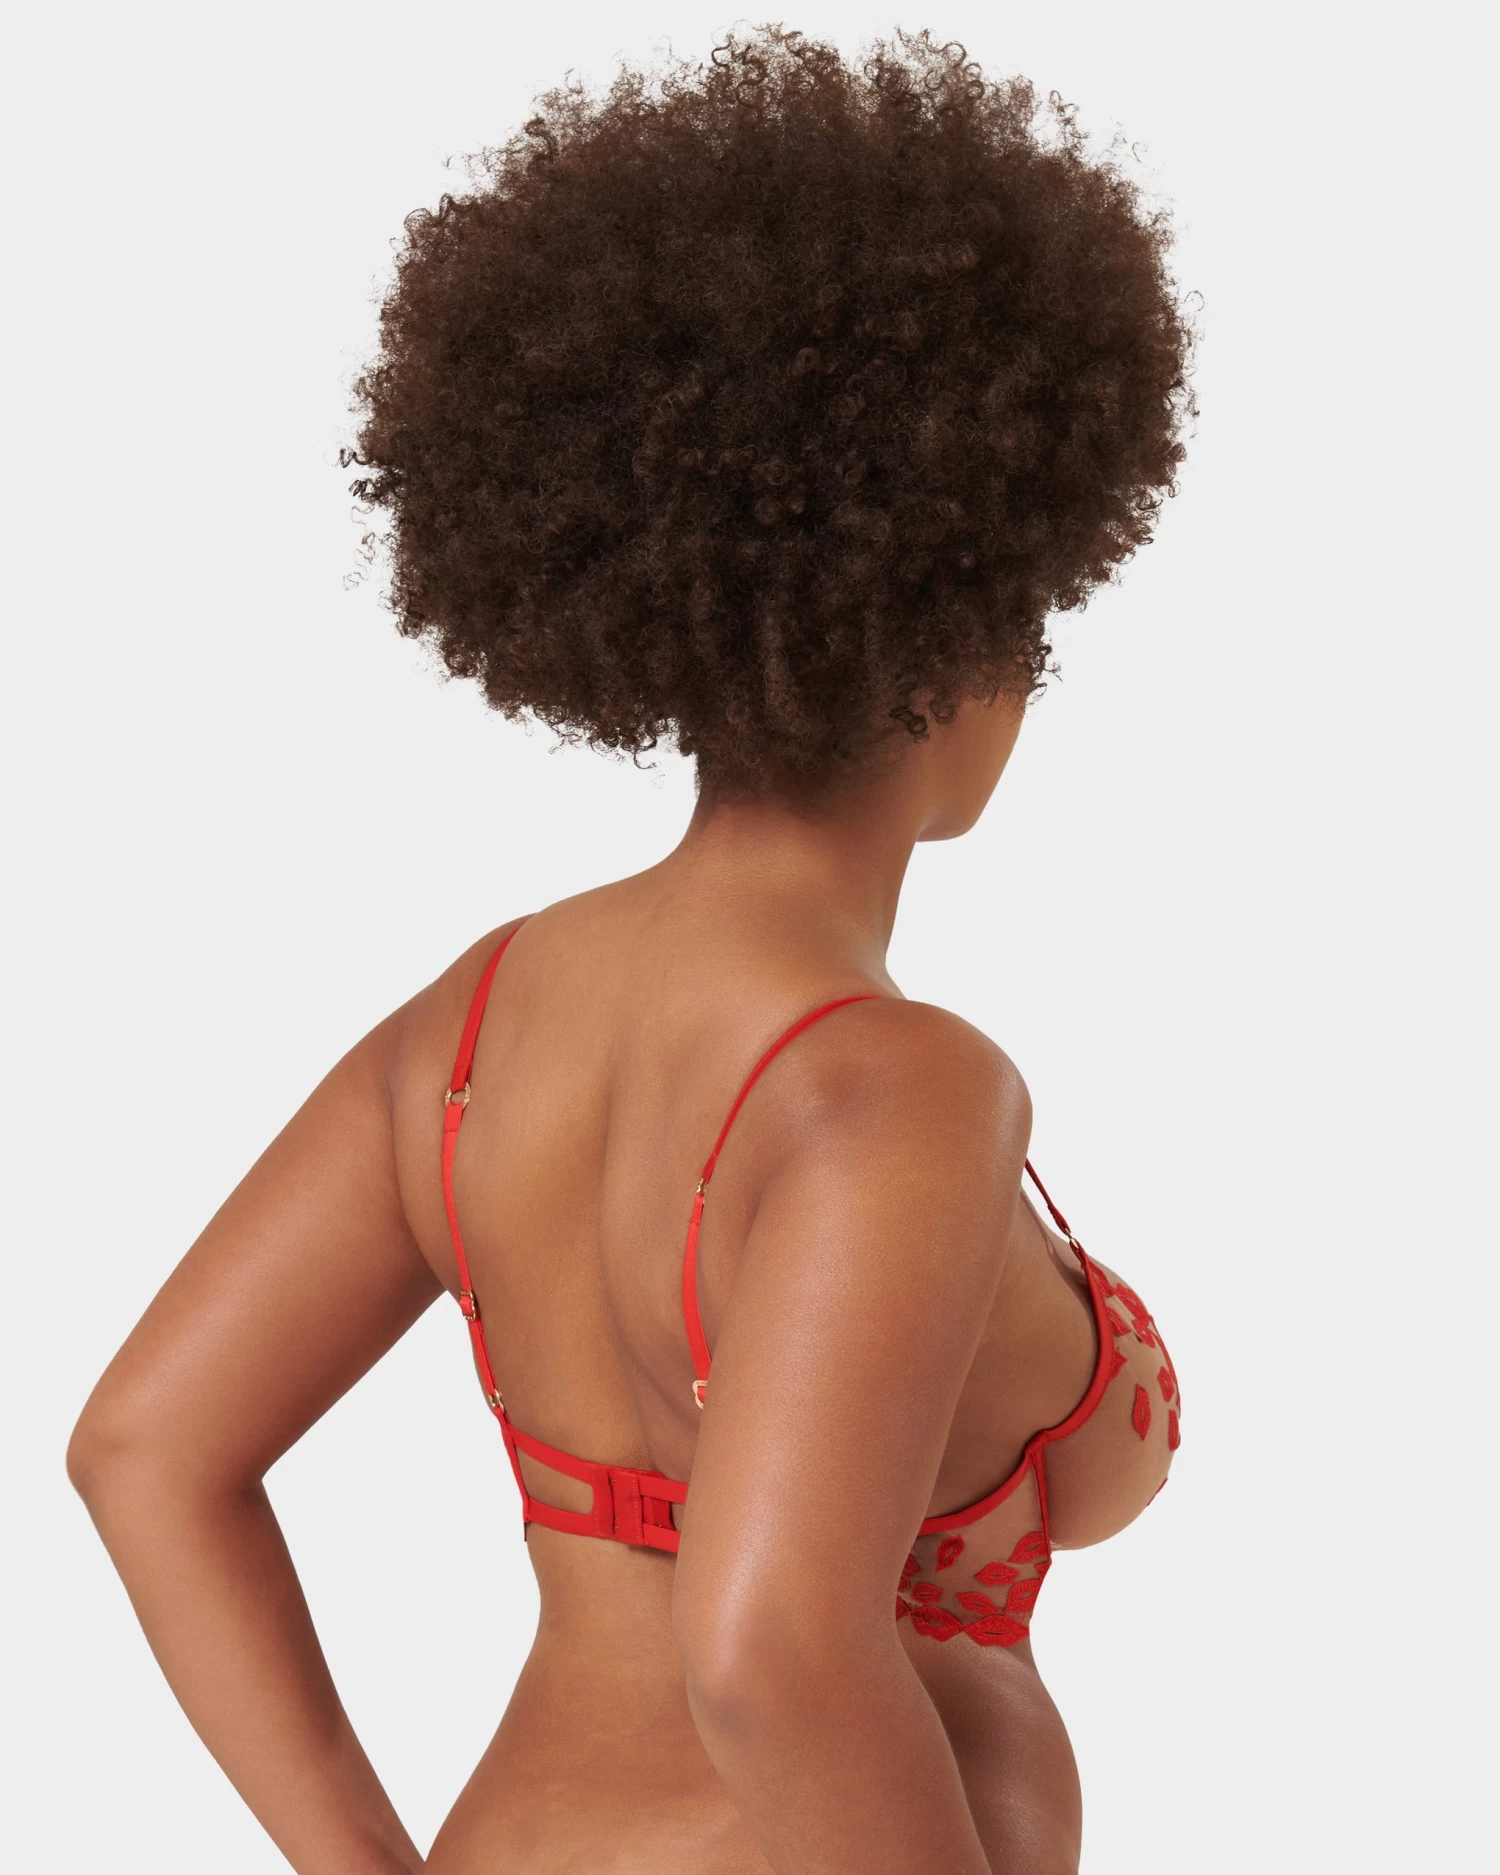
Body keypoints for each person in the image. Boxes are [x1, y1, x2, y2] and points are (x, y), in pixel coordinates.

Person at [67, 28, 1194, 1875]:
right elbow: (765, 1650)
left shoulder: (473, 1025)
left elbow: (145, 1448)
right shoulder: (896, 1087)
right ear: (954, 624)